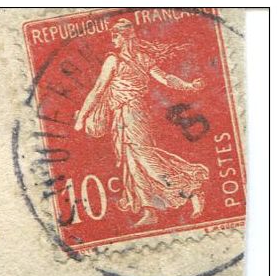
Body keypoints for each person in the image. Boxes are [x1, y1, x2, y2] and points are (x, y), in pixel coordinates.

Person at [73, 18, 210, 229]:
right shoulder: (119, 60)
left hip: (133, 114)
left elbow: (165, 78)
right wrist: (83, 115)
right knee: (133, 163)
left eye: (116, 36)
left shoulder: (128, 60)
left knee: (145, 158)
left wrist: (189, 86)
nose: (113, 40)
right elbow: (99, 89)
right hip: (122, 115)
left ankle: (191, 189)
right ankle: (150, 211)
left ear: (126, 37)